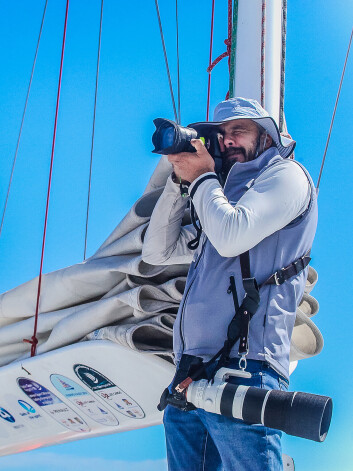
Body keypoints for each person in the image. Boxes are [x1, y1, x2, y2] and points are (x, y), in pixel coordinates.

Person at [142, 97, 318, 471]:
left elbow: (232, 237)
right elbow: (157, 252)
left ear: (267, 137)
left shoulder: (286, 176)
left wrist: (204, 177)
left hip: (246, 369)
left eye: (239, 130)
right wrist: (179, 181)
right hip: (189, 376)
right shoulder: (219, 200)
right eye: (221, 134)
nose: (227, 140)